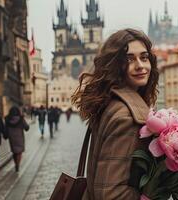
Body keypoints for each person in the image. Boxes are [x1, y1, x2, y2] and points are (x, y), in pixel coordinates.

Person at [71, 28, 159, 200]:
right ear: (116, 65)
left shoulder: (109, 103)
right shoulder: (127, 117)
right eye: (129, 59)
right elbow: (111, 194)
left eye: (144, 57)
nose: (140, 65)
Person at [5, 106, 29, 172]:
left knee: (14, 152)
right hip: (19, 138)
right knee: (19, 152)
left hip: (11, 138)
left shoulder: (7, 119)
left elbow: (5, 129)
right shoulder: (21, 119)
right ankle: (17, 165)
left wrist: (5, 135)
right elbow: (27, 127)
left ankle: (16, 163)